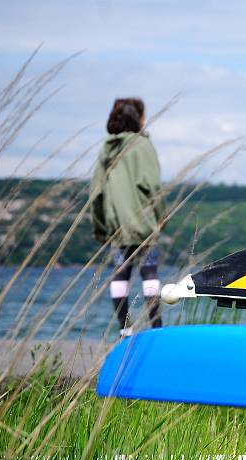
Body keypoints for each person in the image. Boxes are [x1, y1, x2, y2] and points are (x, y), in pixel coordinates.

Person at [90, 98, 164, 336]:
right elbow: (153, 187)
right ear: (137, 118)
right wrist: (161, 216)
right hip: (143, 223)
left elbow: (96, 192)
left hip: (117, 225)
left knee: (120, 276)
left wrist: (101, 226)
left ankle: (125, 330)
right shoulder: (143, 146)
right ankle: (156, 331)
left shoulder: (106, 149)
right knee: (149, 275)